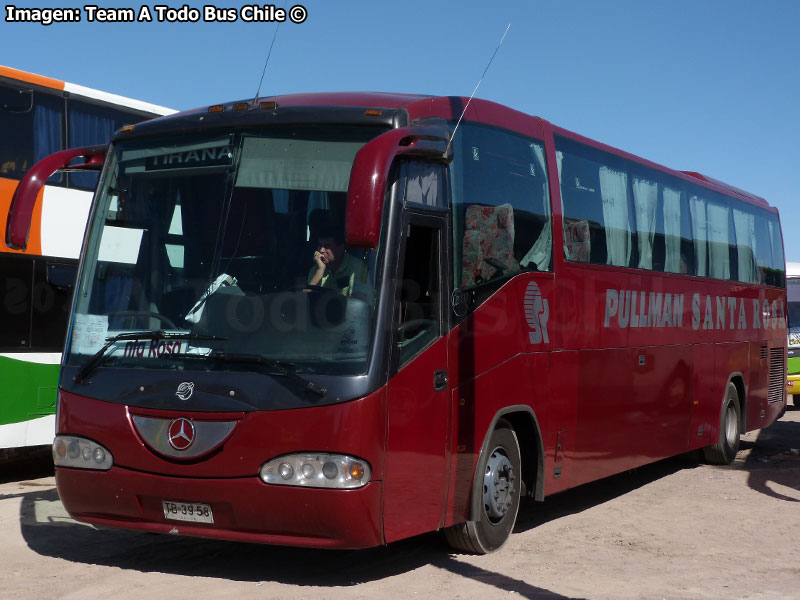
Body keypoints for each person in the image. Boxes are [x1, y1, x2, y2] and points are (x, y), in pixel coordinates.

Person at [308, 226, 372, 301]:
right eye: (320, 245)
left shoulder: (358, 267)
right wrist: (320, 271)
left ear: (341, 247)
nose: (321, 250)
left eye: (327, 246)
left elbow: (358, 302)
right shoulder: (317, 269)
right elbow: (306, 301)